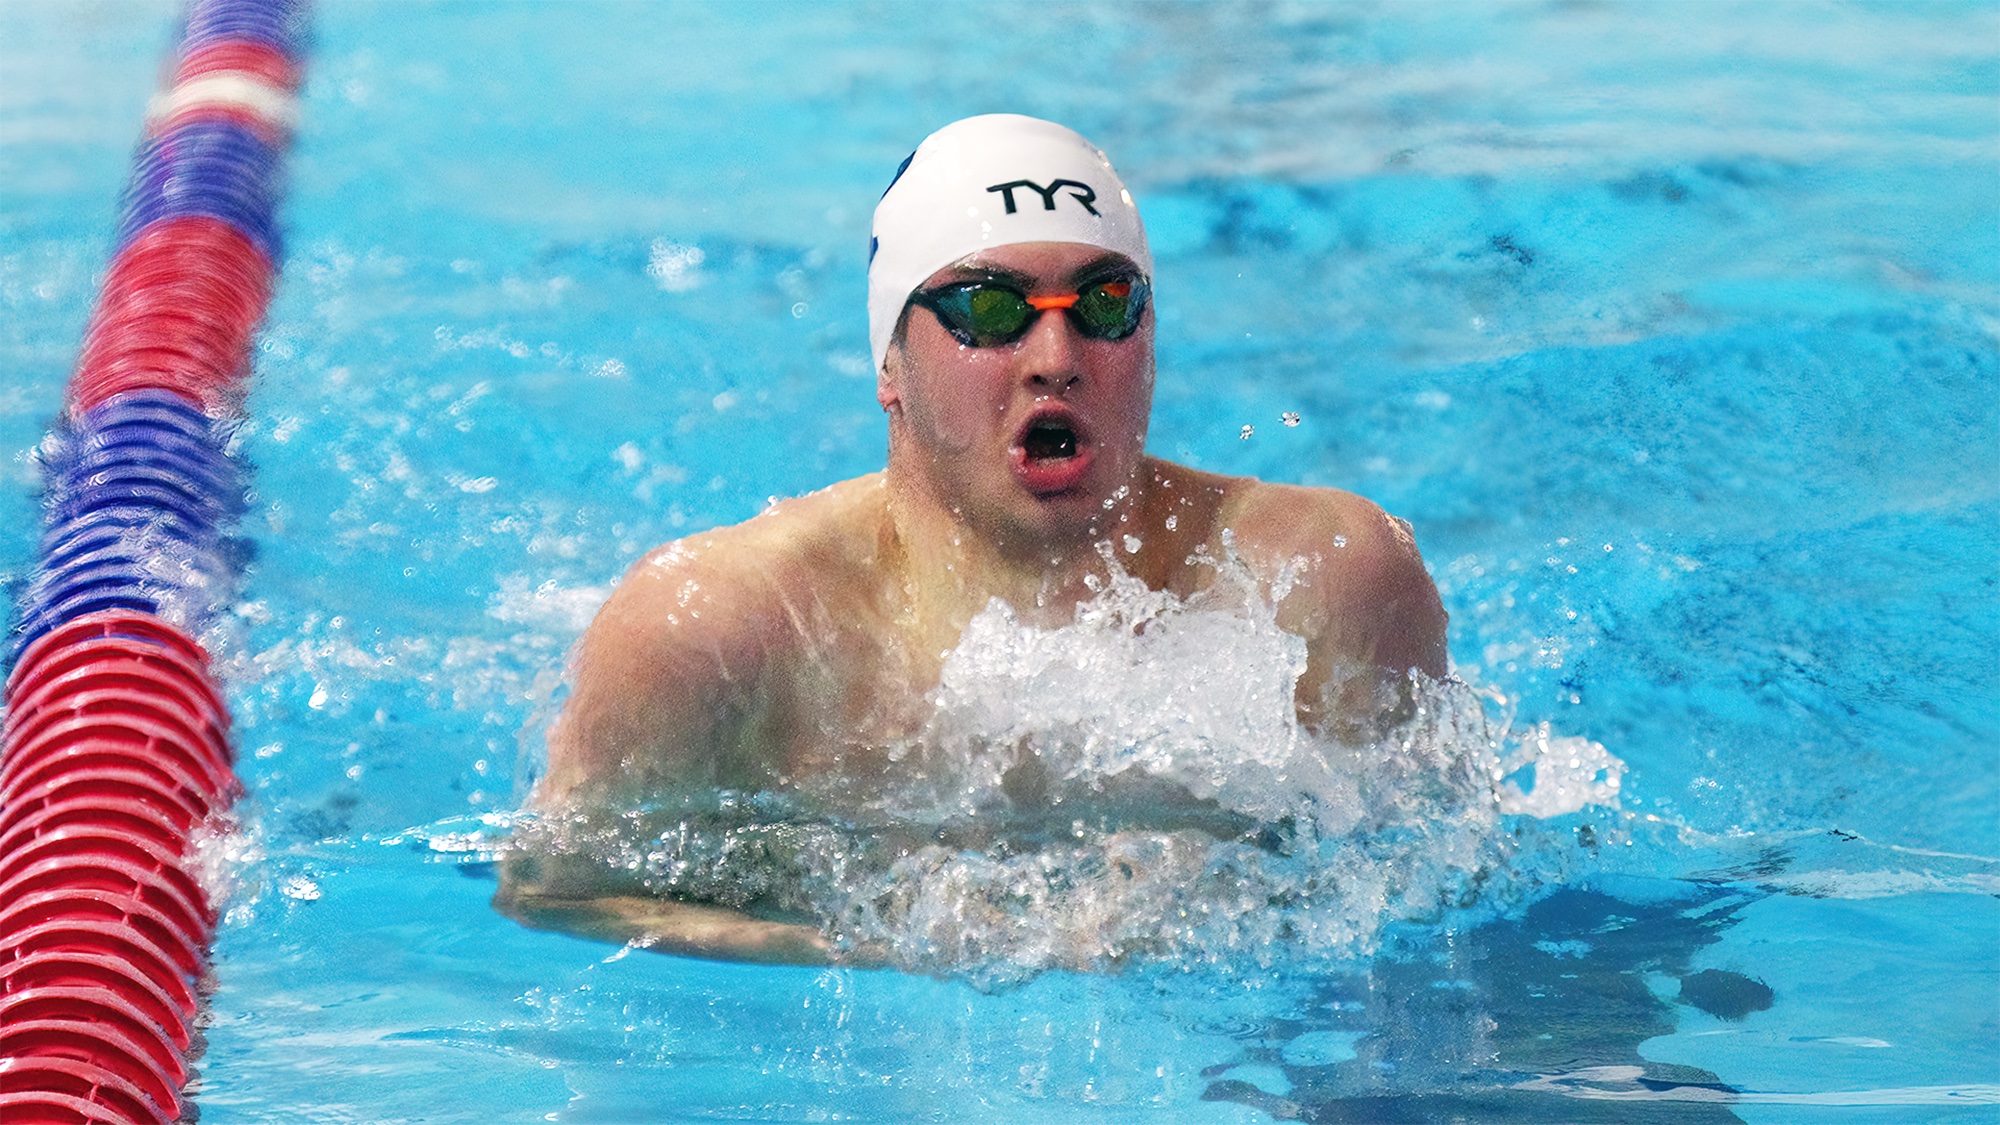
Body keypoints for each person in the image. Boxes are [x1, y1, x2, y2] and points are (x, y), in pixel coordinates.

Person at [496, 114, 1448, 965]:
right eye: (988, 310)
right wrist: (887, 951)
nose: (1057, 360)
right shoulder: (717, 630)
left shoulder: (1320, 578)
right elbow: (559, 894)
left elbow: (1429, 880)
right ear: (891, 364)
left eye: (1106, 304)